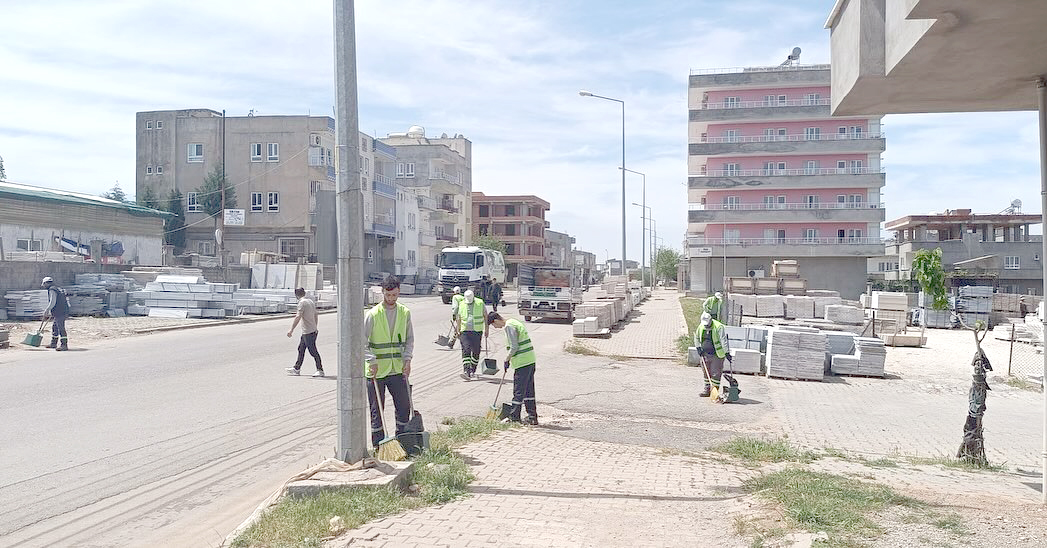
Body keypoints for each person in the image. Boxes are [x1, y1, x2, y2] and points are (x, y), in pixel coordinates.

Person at [364, 275, 415, 450]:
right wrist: (371, 360)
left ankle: (402, 440)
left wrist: (407, 359)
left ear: (399, 292)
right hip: (376, 371)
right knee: (377, 410)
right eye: (388, 295)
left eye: (394, 295)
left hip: (398, 369)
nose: (391, 298)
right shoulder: (373, 314)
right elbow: (361, 342)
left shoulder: (404, 313)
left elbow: (409, 339)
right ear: (383, 292)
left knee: (403, 406)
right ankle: (379, 447)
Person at [487, 312, 537, 425]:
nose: (496, 327)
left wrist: (507, 359)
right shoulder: (514, 322)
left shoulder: (509, 326)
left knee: (518, 391)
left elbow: (514, 346)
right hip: (530, 359)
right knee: (529, 390)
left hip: (522, 362)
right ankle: (532, 417)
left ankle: (514, 417)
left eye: (494, 325)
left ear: (496, 321)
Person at [286, 288, 323, 377]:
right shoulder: (310, 301)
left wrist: (291, 329)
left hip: (308, 331)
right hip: (311, 330)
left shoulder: (302, 303)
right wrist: (315, 326)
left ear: (296, 295)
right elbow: (316, 314)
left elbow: (298, 316)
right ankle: (297, 368)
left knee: (313, 351)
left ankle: (320, 370)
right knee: (301, 348)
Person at [694, 312, 732, 398]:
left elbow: (723, 340)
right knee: (706, 372)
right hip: (705, 354)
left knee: (716, 373)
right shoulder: (701, 326)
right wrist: (698, 348)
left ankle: (714, 391)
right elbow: (697, 337)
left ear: (711, 320)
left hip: (717, 355)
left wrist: (727, 353)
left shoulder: (719, 327)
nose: (706, 326)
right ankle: (707, 389)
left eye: (707, 325)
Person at [453, 289, 487, 380]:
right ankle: (466, 371)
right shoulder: (462, 304)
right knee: (466, 349)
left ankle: (473, 369)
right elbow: (459, 318)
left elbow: (485, 316)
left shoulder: (480, 303)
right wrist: (457, 329)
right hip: (464, 331)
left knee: (476, 351)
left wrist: (487, 329)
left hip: (477, 331)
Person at [41, 277, 69, 351]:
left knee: (60, 328)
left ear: (46, 283)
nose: (43, 286)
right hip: (60, 311)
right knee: (55, 327)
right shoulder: (57, 288)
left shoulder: (52, 290)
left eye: (44, 284)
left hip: (60, 312)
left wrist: (47, 310)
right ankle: (53, 343)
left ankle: (64, 345)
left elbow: (52, 301)